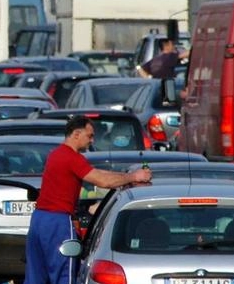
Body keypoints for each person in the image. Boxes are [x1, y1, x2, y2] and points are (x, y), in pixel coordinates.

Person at [24, 115, 152, 284]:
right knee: (65, 275)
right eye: (89, 136)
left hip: (39, 220)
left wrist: (128, 176)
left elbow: (98, 173)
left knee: (35, 276)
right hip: (58, 222)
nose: (91, 141)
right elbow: (103, 181)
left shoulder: (56, 154)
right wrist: (134, 176)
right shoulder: (72, 157)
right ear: (76, 134)